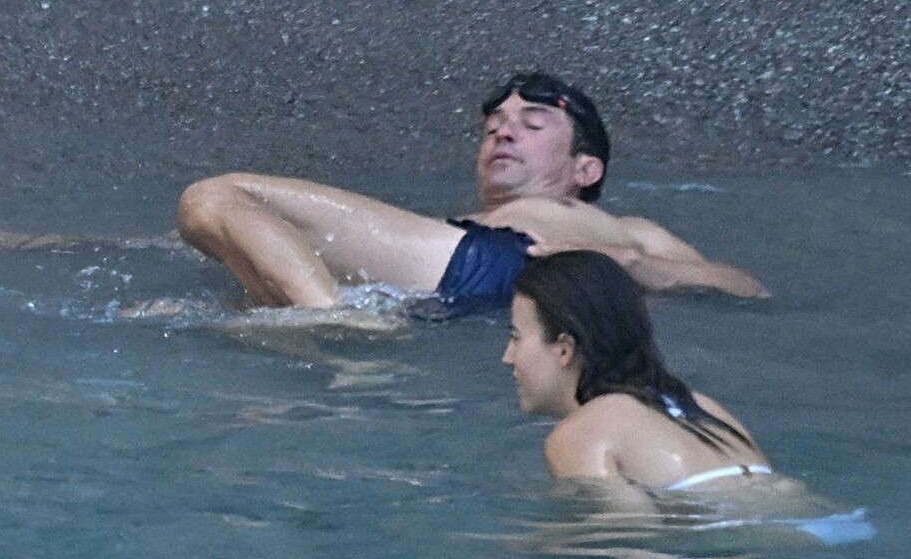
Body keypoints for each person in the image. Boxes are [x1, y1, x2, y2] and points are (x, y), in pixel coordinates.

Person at [173, 72, 766, 315]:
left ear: (586, 170)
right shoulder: (450, 222)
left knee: (214, 198)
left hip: (496, 262)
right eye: (493, 128)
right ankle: (326, 318)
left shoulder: (623, 228)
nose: (504, 132)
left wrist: (625, 264)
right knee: (214, 269)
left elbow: (744, 286)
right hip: (449, 290)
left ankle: (337, 323)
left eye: (532, 125)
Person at [504, 250, 772, 496]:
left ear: (564, 349)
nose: (507, 357)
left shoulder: (580, 434)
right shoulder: (702, 408)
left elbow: (629, 529)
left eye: (516, 337)